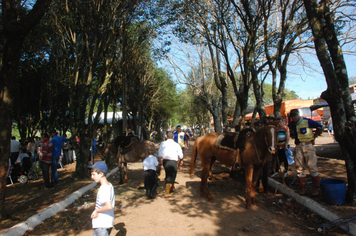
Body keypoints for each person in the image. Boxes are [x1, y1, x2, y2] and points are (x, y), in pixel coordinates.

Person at [289, 109, 323, 196]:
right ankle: (302, 187)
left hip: (308, 146)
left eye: (294, 117)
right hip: (299, 146)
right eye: (292, 117)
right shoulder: (292, 124)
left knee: (312, 167)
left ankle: (316, 188)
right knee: (299, 168)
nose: (293, 119)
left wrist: (314, 136)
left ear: (297, 116)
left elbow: (320, 127)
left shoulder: (307, 121)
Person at [88, 161, 115, 236]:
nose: (92, 177)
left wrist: (96, 211)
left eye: (93, 174)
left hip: (102, 224)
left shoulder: (104, 188)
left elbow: (109, 206)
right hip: (105, 223)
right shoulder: (109, 185)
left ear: (101, 174)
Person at [158, 131, 183, 198]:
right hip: (173, 162)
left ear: (166, 137)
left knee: (168, 173)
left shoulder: (162, 144)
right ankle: (167, 192)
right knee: (172, 175)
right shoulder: (176, 145)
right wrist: (181, 161)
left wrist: (159, 162)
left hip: (165, 162)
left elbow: (160, 154)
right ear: (173, 137)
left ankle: (171, 187)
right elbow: (180, 155)